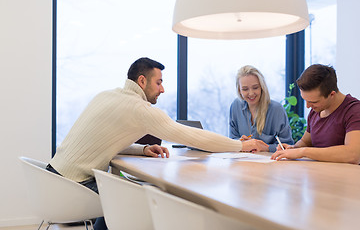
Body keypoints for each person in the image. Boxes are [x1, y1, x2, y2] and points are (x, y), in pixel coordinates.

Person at [47, 57, 269, 230]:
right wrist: (241, 146)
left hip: (53, 178)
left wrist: (142, 149)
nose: (162, 89)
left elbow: (100, 142)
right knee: (140, 195)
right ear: (142, 81)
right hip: (74, 185)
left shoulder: (107, 95)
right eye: (159, 82)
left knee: (122, 191)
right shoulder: (139, 109)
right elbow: (193, 137)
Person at [271, 64, 360, 164]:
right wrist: (293, 148)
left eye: (314, 102)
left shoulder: (354, 111)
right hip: (318, 175)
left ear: (332, 95)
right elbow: (305, 142)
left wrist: (303, 152)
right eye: (305, 100)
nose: (308, 106)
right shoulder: (316, 111)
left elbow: (353, 154)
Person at [229, 65, 294, 152]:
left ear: (262, 87)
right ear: (239, 90)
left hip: (271, 163)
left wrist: (266, 148)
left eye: (255, 87)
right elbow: (232, 139)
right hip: (243, 162)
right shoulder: (235, 106)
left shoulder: (276, 110)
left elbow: (288, 145)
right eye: (245, 89)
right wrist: (240, 143)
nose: (251, 93)